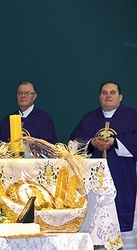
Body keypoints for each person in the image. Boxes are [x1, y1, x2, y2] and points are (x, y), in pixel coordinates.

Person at [70, 81, 137, 239]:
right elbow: (73, 143)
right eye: (104, 93)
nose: (108, 96)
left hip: (124, 177)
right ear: (99, 97)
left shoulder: (132, 116)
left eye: (112, 92)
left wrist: (115, 141)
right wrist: (91, 143)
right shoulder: (89, 119)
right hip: (95, 183)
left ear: (120, 97)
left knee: (126, 231)